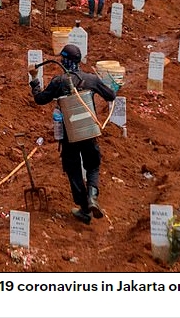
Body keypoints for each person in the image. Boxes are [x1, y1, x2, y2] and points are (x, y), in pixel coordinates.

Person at [28, 44, 116, 225]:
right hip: (89, 132)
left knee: (73, 169)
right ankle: (92, 196)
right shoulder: (90, 79)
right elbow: (111, 96)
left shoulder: (58, 82)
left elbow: (40, 99)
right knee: (92, 165)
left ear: (63, 61)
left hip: (69, 136)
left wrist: (34, 79)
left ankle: (84, 209)